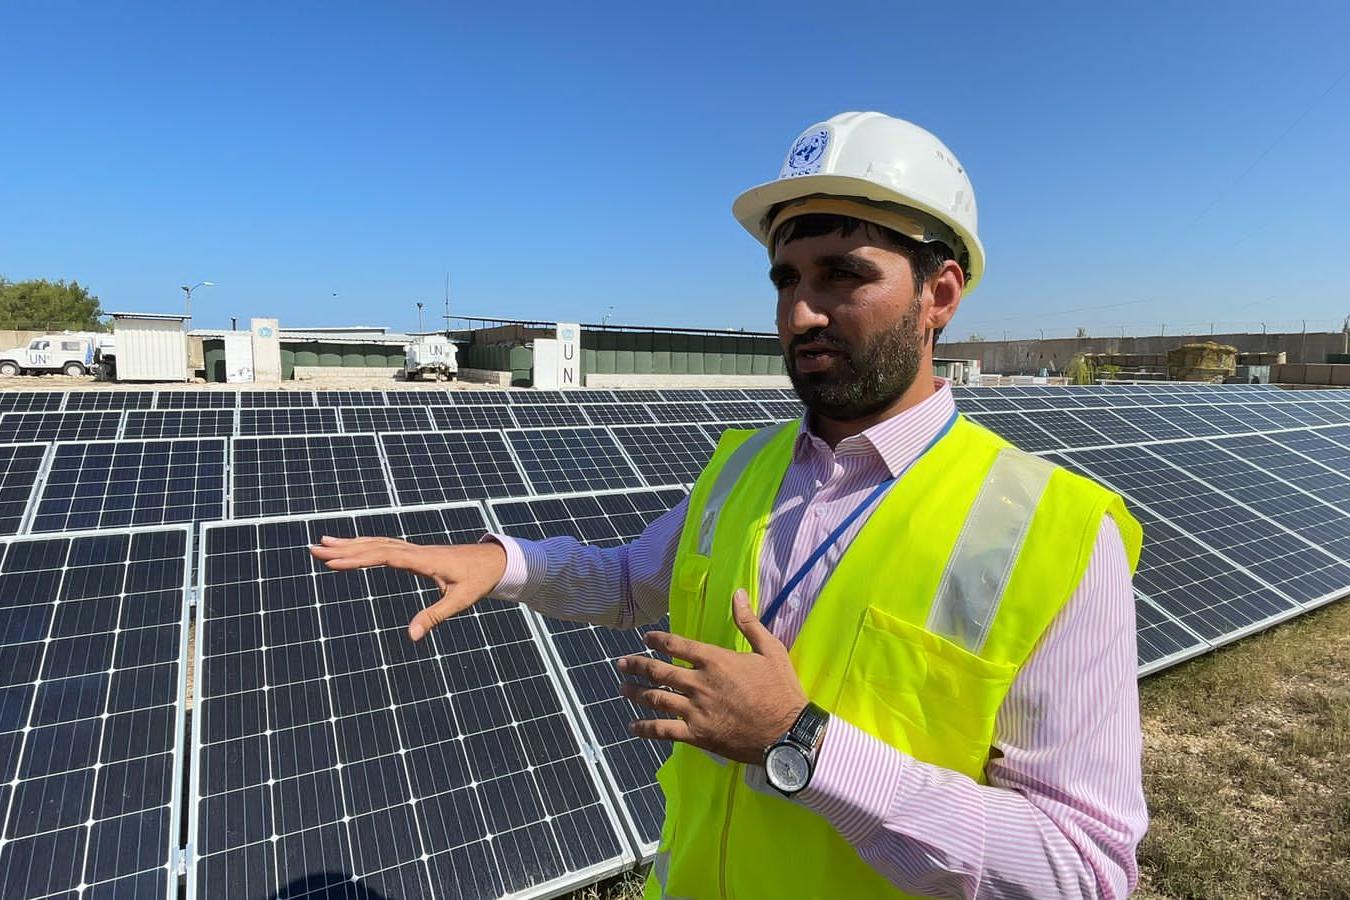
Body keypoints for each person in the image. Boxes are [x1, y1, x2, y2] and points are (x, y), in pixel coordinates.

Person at [312, 111, 1148, 899]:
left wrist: (802, 743)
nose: (801, 313)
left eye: (843, 275)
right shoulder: (744, 465)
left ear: (941, 294)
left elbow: (1084, 869)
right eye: (786, 278)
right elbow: (633, 582)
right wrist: (505, 563)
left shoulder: (1051, 533)